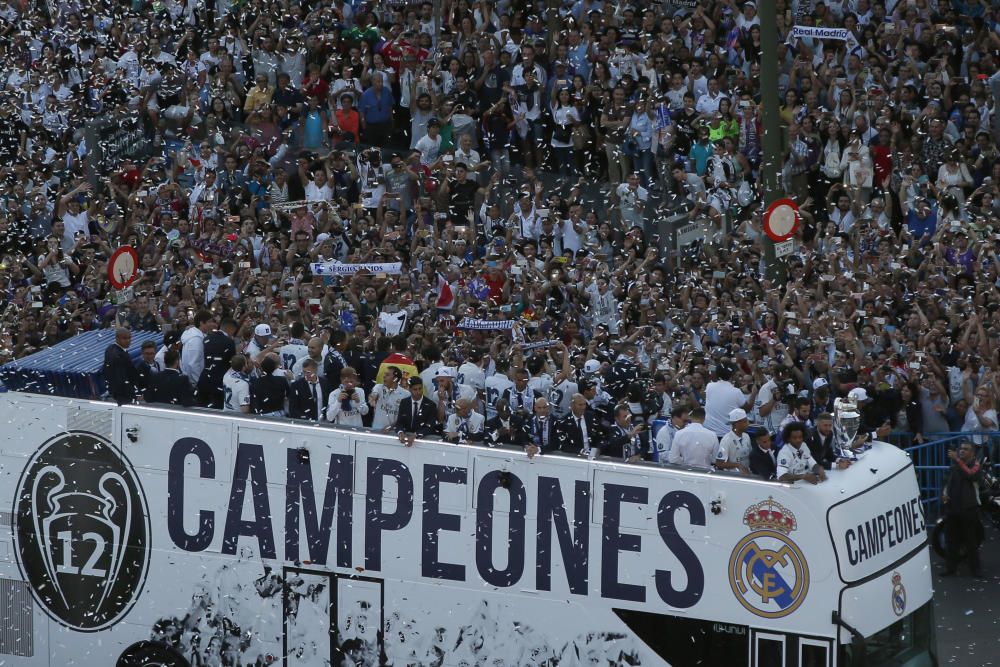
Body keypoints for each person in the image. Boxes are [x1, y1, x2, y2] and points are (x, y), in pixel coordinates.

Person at [940, 442, 985, 578]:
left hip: (969, 508)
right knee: (951, 540)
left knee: (970, 541)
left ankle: (975, 570)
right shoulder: (954, 466)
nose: (962, 451)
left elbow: (971, 475)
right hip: (953, 507)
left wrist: (958, 460)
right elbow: (947, 482)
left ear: (972, 453)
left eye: (966, 449)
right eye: (961, 449)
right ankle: (950, 568)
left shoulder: (976, 465)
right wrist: (944, 494)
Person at [704, 363, 756, 438]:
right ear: (733, 376)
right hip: (726, 435)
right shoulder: (736, 392)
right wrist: (754, 393)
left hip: (709, 433)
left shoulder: (709, 386)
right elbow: (747, 409)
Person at [198, 317, 237, 409]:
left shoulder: (207, 338)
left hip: (204, 379)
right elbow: (232, 364)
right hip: (219, 382)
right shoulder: (229, 342)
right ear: (231, 329)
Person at [395, 377, 440, 444]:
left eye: (420, 388)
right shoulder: (404, 402)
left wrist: (416, 434)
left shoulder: (431, 405)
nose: (418, 392)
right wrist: (400, 432)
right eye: (415, 389)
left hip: (423, 442)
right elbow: (399, 422)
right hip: (405, 440)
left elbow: (430, 426)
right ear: (409, 389)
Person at [180, 310, 216, 389]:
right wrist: (200, 384)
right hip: (194, 384)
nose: (212, 324)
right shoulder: (196, 340)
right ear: (201, 323)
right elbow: (193, 364)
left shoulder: (198, 337)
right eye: (209, 322)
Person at [104, 327, 140, 405]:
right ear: (117, 338)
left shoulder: (110, 349)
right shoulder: (119, 355)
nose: (128, 341)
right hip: (122, 396)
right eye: (124, 338)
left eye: (129, 338)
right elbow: (121, 378)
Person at [369, 366, 409, 430]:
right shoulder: (378, 387)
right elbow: (374, 394)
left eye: (387, 375)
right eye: (384, 374)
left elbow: (405, 416)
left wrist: (392, 427)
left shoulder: (406, 394)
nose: (384, 376)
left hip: (394, 433)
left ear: (395, 379)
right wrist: (372, 398)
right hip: (377, 430)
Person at [716, 408, 751, 474]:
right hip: (733, 476)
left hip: (747, 475)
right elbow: (719, 463)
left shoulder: (747, 436)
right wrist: (737, 465)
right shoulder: (726, 440)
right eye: (745, 421)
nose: (748, 424)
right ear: (736, 424)